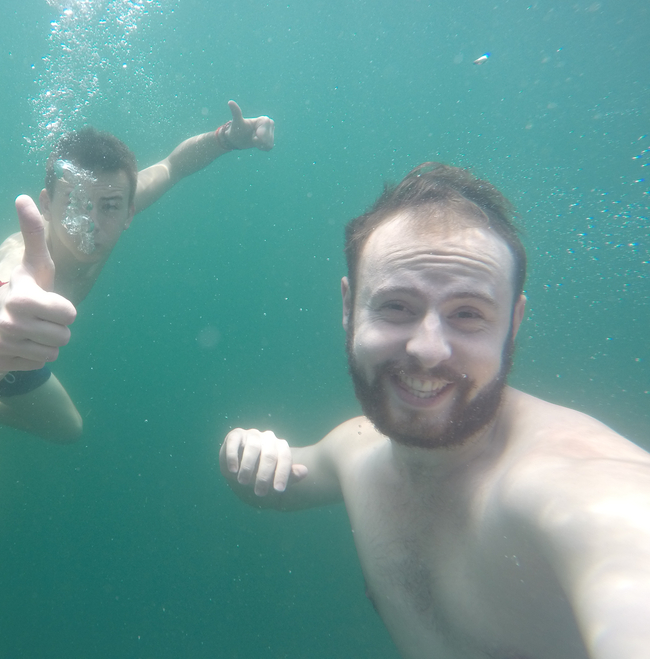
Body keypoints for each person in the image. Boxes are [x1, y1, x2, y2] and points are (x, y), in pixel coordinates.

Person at [219, 163, 650, 659]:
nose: (428, 349)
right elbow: (274, 488)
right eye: (397, 306)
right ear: (348, 306)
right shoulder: (356, 449)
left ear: (513, 323)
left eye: (468, 314)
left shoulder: (579, 487)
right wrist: (240, 454)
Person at [0, 100, 275, 441]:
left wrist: (225, 140)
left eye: (107, 207)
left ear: (128, 211)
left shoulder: (118, 202)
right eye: (74, 204)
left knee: (68, 430)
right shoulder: (19, 256)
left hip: (10, 368)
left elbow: (173, 166)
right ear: (46, 206)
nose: (89, 224)